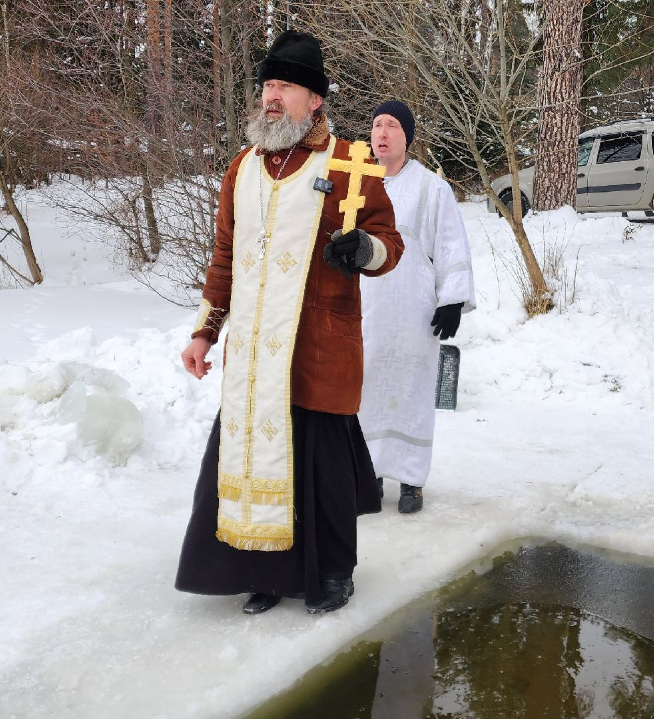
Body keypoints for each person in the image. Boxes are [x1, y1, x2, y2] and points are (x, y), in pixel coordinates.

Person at [176, 31, 403, 616]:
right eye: (267, 86)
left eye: (285, 87)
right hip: (253, 354)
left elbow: (389, 242)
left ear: (315, 99)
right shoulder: (241, 169)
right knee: (250, 459)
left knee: (320, 469)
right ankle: (265, 570)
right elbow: (224, 256)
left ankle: (333, 573)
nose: (271, 97)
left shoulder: (351, 163)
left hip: (318, 348)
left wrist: (364, 252)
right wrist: (206, 331)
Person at [359, 100, 475, 514]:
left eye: (392, 126)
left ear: (407, 136)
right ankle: (367, 477)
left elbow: (450, 245)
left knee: (410, 392)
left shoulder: (432, 188)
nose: (382, 133)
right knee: (365, 392)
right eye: (376, 125)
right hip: (365, 312)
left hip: (412, 313)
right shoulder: (357, 183)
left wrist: (454, 301)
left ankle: (411, 482)